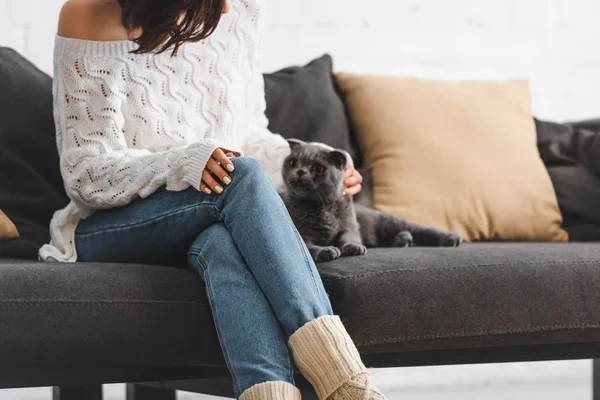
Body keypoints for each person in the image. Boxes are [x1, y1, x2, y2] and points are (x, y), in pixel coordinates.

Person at [39, 0, 386, 399]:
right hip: (109, 225)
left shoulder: (244, 9)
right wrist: (181, 164)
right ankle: (347, 383)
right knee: (241, 178)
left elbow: (249, 133)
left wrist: (317, 163)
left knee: (221, 242)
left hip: (208, 213)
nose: (225, 8)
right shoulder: (88, 14)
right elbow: (85, 172)